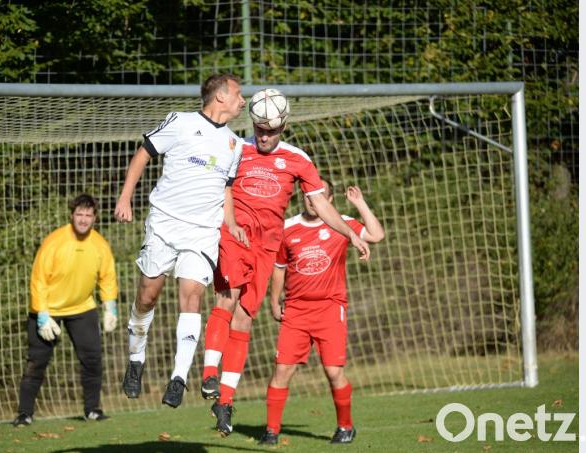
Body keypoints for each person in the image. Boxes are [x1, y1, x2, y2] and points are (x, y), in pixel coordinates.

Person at [200, 89, 371, 436]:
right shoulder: (235, 147)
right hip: (235, 234)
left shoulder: (298, 160)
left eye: (271, 130)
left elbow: (321, 205)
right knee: (228, 296)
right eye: (259, 128)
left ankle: (226, 401)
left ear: (284, 127)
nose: (264, 136)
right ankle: (208, 375)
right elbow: (209, 183)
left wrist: (351, 234)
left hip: (267, 247)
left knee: (246, 317)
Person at [114, 73, 248, 409]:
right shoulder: (181, 122)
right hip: (164, 224)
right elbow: (144, 152)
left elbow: (227, 190)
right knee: (148, 295)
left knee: (192, 297)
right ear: (220, 96)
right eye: (238, 94)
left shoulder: (235, 144)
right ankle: (136, 358)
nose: (243, 101)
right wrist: (125, 197)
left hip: (202, 232)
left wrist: (229, 222)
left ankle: (178, 377)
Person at [258, 181, 385, 445]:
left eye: (318, 197)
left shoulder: (341, 224)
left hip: (330, 309)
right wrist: (273, 300)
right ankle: (271, 432)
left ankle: (345, 427)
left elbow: (377, 235)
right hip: (295, 311)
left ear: (328, 199)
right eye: (308, 196)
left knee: (333, 372)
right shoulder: (288, 228)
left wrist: (360, 203)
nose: (312, 201)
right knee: (281, 371)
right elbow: (279, 267)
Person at [13, 194, 119, 427]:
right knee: (36, 362)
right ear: (71, 215)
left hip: (82, 308)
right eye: (79, 214)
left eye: (88, 215)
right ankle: (24, 414)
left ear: (95, 218)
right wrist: (41, 314)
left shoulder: (100, 244)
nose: (83, 219)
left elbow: (107, 277)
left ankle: (92, 410)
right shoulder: (54, 242)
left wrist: (110, 306)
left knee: (92, 360)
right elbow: (38, 280)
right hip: (48, 311)